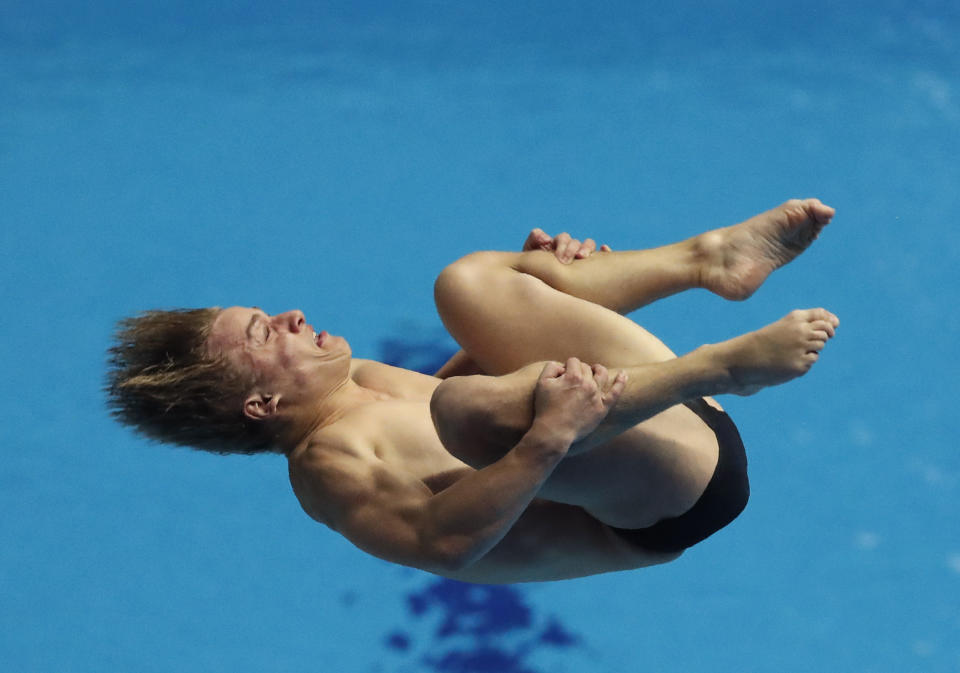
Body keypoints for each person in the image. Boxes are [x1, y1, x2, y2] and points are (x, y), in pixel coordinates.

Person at [107, 198, 839, 584]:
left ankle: (708, 260)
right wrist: (549, 434)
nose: (291, 315)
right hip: (672, 499)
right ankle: (728, 366)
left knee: (469, 285)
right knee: (465, 410)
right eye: (267, 334)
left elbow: (513, 391)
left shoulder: (358, 382)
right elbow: (446, 542)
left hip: (656, 421)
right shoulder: (328, 470)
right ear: (261, 406)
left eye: (267, 313)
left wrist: (545, 289)